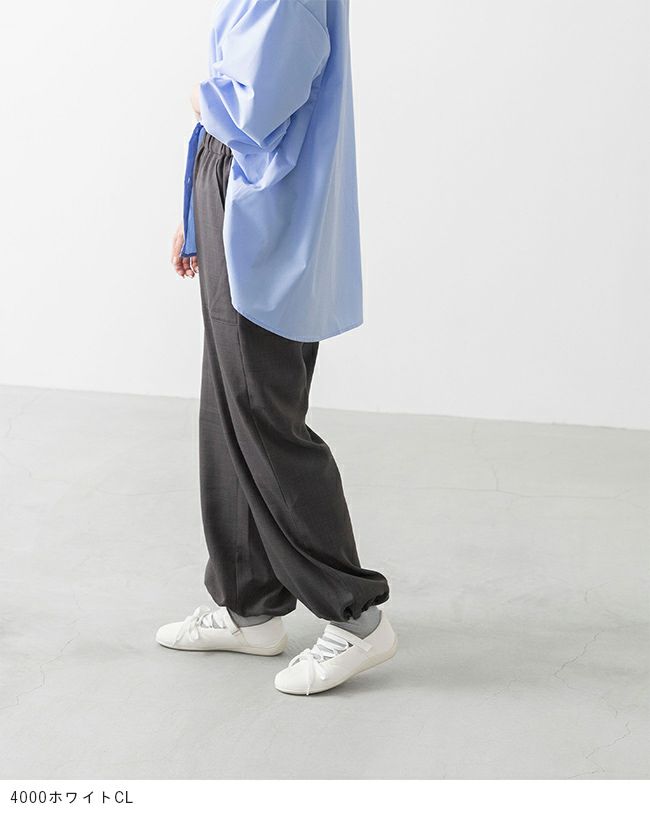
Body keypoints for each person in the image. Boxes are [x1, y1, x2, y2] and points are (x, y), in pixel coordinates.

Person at [156, 0, 397, 695]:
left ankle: (355, 616)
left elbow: (255, 105)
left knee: (262, 412)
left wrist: (200, 97)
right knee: (231, 407)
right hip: (241, 193)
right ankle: (250, 607)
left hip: (261, 210)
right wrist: (195, 207)